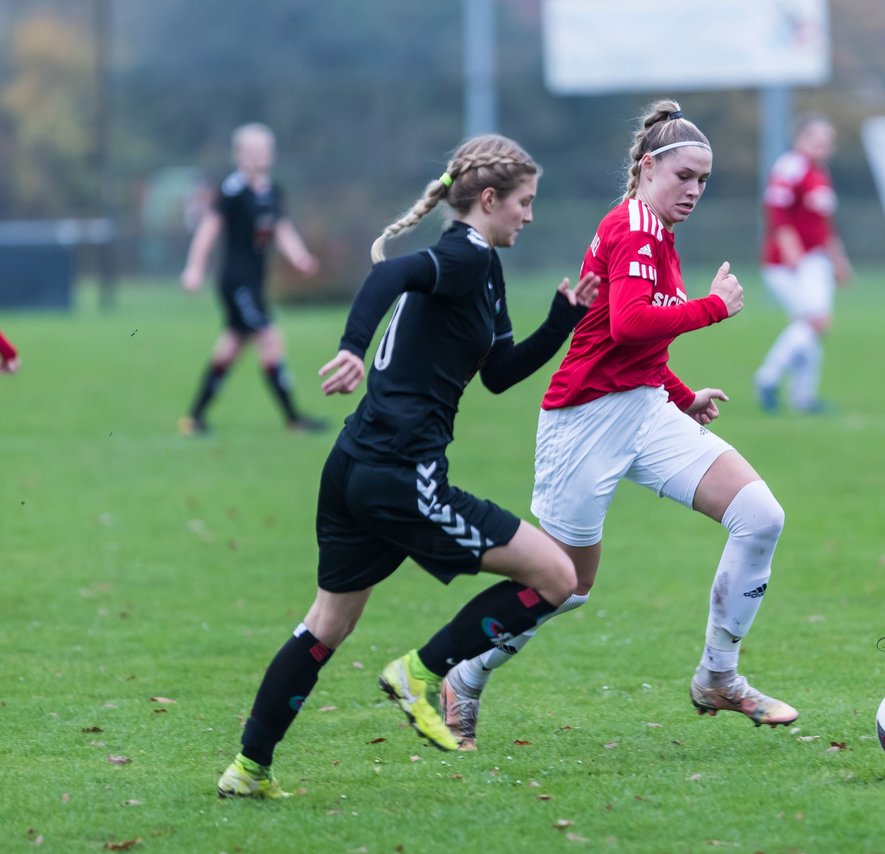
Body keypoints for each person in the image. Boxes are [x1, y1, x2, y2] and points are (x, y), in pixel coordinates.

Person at [216, 133, 600, 798]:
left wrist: (563, 319)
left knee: (328, 623)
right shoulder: (461, 255)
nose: (530, 216)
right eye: (524, 202)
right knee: (559, 576)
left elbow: (501, 374)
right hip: (400, 471)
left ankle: (248, 768)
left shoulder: (486, 268)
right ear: (488, 199)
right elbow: (389, 273)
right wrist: (351, 348)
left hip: (356, 464)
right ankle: (424, 672)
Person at [440, 100, 798, 752]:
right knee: (566, 586)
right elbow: (632, 323)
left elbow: (633, 343)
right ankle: (463, 676)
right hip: (585, 421)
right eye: (683, 176)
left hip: (643, 408)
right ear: (646, 166)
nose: (693, 191)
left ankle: (718, 676)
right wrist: (714, 308)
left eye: (703, 182)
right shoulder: (632, 227)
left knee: (760, 516)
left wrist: (682, 396)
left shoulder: (658, 233)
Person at [179, 122, 326, 435]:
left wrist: (300, 257)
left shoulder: (273, 192)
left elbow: (281, 229)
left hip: (255, 284)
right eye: (252, 150)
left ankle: (194, 418)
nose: (260, 155)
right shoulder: (232, 191)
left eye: (264, 149)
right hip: (236, 282)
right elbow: (208, 230)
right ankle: (293, 418)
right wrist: (194, 268)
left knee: (230, 347)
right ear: (239, 155)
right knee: (270, 338)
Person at [752, 114, 853, 414]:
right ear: (800, 139)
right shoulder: (791, 166)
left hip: (816, 260)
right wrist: (791, 250)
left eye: (827, 141)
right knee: (814, 322)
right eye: (816, 139)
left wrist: (838, 260)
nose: (823, 146)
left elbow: (823, 226)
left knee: (809, 326)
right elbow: (777, 212)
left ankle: (802, 397)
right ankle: (768, 378)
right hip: (792, 262)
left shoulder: (818, 173)